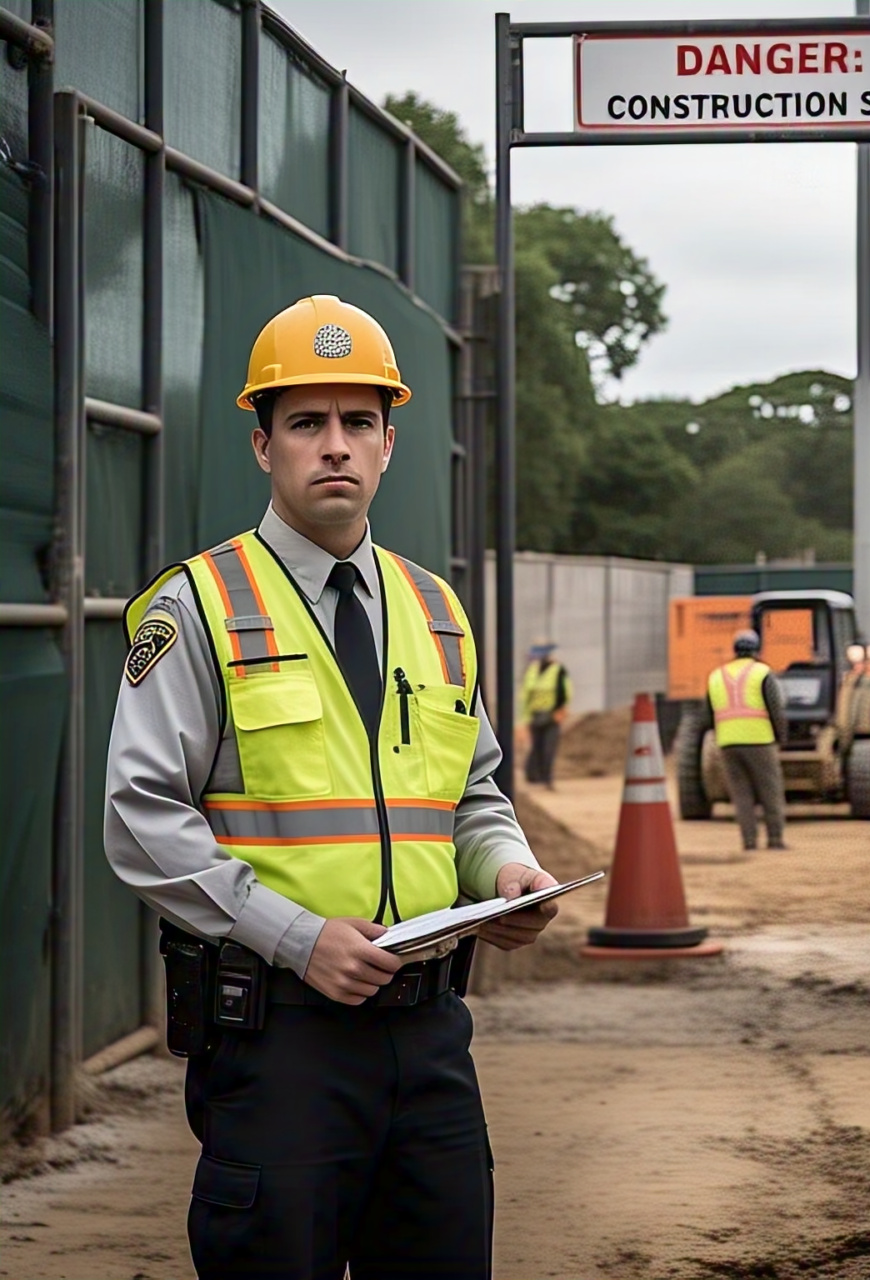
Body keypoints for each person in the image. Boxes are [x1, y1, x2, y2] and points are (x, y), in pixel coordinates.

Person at [103, 295, 558, 1280]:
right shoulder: (199, 606)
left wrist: (508, 868)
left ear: (390, 442)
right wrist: (296, 938)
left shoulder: (436, 611)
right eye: (307, 422)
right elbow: (142, 819)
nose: (335, 445)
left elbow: (471, 790)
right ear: (262, 444)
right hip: (280, 1045)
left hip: (432, 1038)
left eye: (357, 421)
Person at [706, 629, 788, 851]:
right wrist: (781, 737)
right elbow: (775, 708)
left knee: (741, 795)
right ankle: (775, 839)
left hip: (728, 743)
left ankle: (749, 842)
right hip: (759, 740)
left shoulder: (716, 676)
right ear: (755, 649)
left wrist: (721, 736)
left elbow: (709, 714)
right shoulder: (762, 673)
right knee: (770, 790)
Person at [519, 639, 572, 787]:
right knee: (536, 747)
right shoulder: (532, 670)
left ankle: (547, 779)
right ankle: (534, 777)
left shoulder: (558, 670)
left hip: (552, 715)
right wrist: (525, 718)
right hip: (535, 715)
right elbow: (526, 695)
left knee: (549, 748)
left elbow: (566, 693)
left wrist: (561, 711)